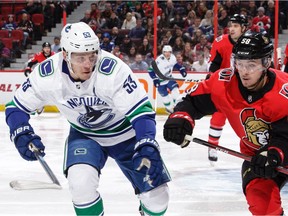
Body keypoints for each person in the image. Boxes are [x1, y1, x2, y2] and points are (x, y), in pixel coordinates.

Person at [5, 22, 170, 216]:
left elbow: (142, 113)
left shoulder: (114, 70)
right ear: (65, 55)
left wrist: (147, 143)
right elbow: (15, 107)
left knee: (158, 200)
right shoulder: (48, 73)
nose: (88, 64)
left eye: (92, 56)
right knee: (80, 185)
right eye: (80, 57)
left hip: (126, 135)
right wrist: (20, 132)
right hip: (86, 135)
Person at [163, 30, 288, 216]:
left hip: (279, 151)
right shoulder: (223, 83)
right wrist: (181, 118)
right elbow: (193, 102)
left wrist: (275, 153)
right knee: (263, 205)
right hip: (256, 157)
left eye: (251, 65)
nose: (244, 71)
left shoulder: (283, 91)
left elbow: (285, 136)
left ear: (266, 63)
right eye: (240, 63)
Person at [206, 14, 248, 162]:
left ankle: (254, 148)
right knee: (219, 114)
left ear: (244, 28)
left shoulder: (250, 42)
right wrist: (211, 76)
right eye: (231, 25)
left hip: (246, 85)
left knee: (251, 118)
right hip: (226, 84)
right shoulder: (221, 42)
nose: (231, 29)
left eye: (236, 26)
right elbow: (215, 63)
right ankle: (212, 146)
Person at [147, 45, 187, 113]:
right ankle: (170, 110)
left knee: (176, 92)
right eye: (165, 52)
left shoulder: (173, 57)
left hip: (169, 78)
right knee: (166, 99)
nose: (167, 54)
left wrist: (181, 69)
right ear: (163, 52)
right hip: (160, 81)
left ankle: (178, 108)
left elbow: (175, 64)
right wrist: (155, 79)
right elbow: (150, 70)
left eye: (169, 52)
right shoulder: (158, 60)